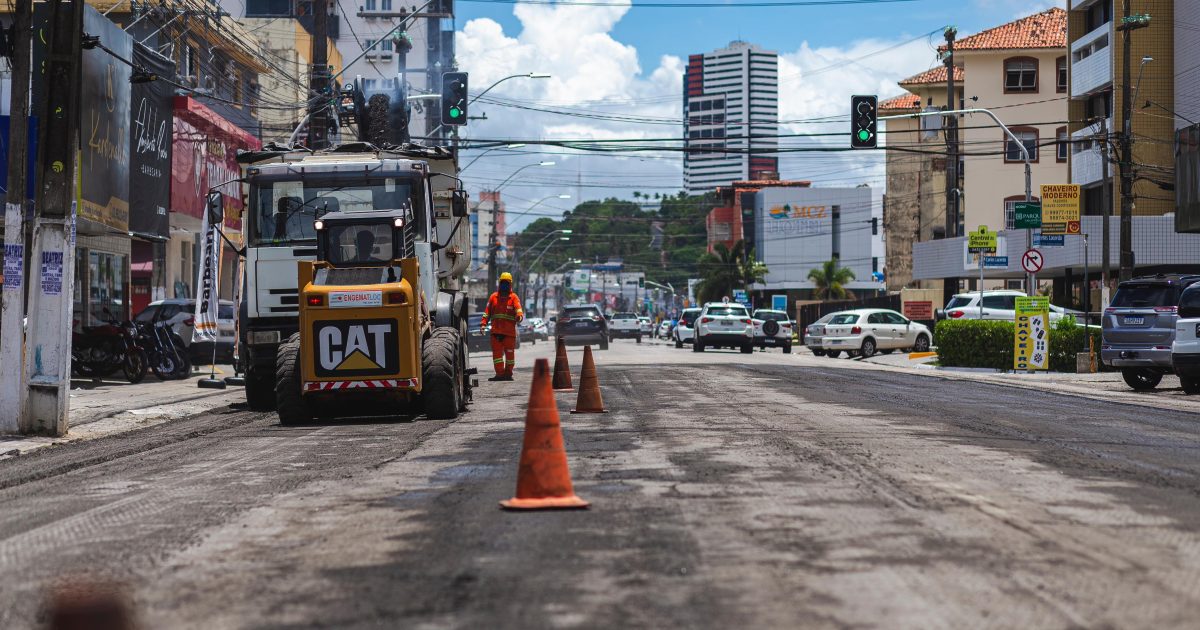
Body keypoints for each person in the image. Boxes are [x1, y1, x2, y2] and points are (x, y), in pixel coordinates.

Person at [481, 272, 523, 381]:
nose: (504, 285)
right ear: (499, 283)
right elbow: (487, 313)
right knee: (497, 356)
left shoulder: (514, 298)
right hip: (496, 333)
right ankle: (499, 374)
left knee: (510, 357)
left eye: (507, 283)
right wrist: (483, 325)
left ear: (510, 284)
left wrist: (519, 317)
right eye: (503, 282)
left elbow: (519, 310)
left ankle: (508, 374)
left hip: (509, 334)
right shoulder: (493, 297)